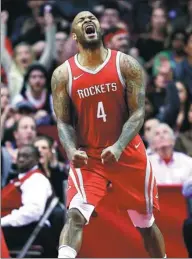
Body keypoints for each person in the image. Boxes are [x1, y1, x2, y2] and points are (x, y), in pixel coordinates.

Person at [51, 11, 166, 258]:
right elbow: (63, 122)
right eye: (81, 20)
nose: (88, 21)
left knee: (145, 224)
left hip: (128, 152)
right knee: (74, 215)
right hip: (89, 155)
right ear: (75, 35)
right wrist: (71, 150)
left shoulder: (125, 64)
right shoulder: (63, 75)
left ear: (101, 30)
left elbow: (137, 114)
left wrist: (118, 146)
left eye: (92, 18)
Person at [1, 144, 55, 257]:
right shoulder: (21, 178)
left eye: (26, 156)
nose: (21, 159)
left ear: (37, 159)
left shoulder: (37, 180)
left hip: (26, 230)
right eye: (19, 156)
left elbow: (32, 212)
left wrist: (2, 221)